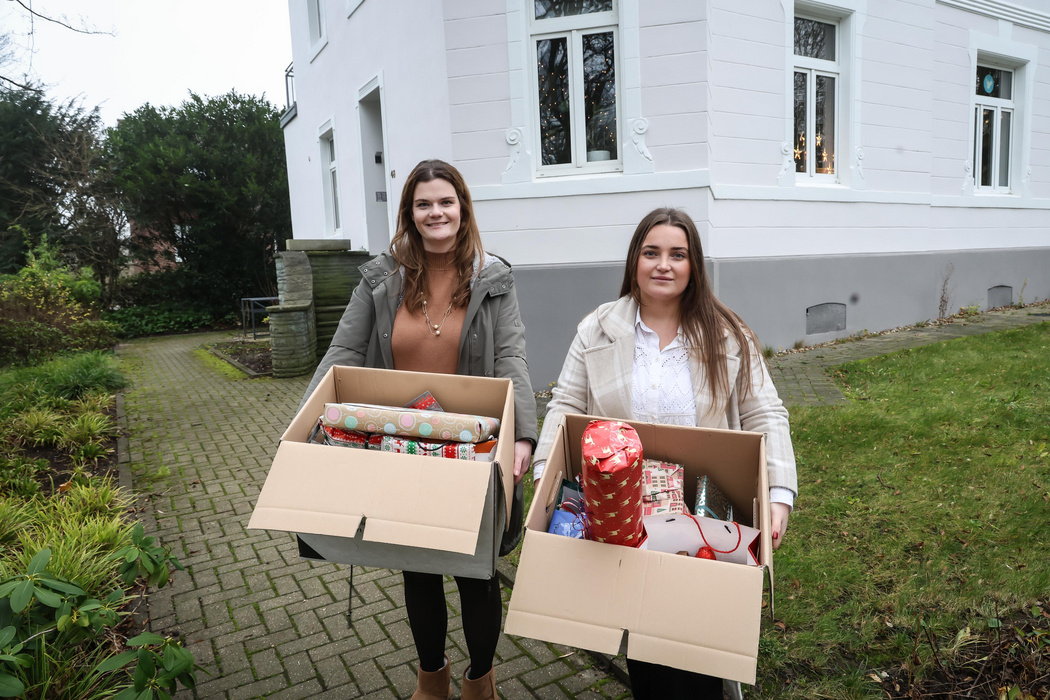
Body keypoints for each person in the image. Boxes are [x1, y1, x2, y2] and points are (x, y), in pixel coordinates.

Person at [531, 207, 797, 700]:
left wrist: (778, 492)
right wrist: (547, 477)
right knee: (644, 642)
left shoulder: (728, 333)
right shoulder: (598, 328)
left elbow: (766, 412)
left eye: (678, 254)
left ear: (694, 264)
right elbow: (566, 404)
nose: (663, 265)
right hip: (622, 512)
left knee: (696, 641)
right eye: (651, 252)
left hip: (703, 513)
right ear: (635, 260)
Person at [299, 159, 538, 700]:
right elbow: (343, 351)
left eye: (446, 202)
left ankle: (481, 681)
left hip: (472, 450)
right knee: (418, 569)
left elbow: (511, 357)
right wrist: (307, 420)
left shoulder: (492, 277)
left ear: (462, 208)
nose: (436, 212)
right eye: (424, 203)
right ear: (409, 212)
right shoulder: (380, 280)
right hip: (400, 447)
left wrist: (523, 435)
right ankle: (432, 678)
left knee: (476, 573)